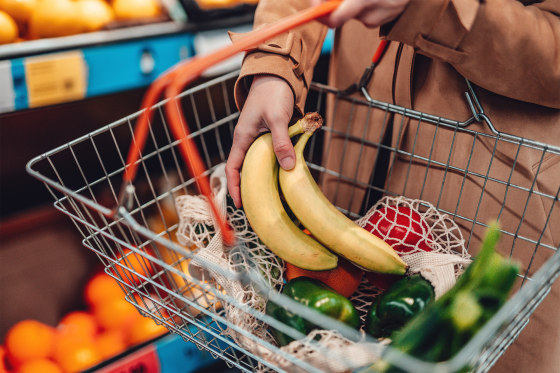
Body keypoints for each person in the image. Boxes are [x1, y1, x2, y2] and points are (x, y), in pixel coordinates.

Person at [224, 0, 560, 371]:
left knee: (463, 349)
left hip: (496, 178)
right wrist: (276, 62)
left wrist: (434, 9)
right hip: (359, 122)